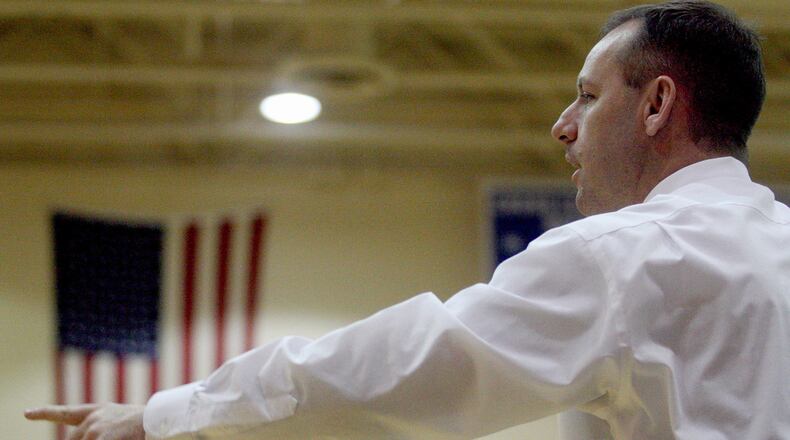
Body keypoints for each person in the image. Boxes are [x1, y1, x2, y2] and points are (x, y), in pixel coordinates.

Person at [26, 1, 789, 438]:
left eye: (588, 97)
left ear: (656, 105)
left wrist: (168, 413)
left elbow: (401, 360)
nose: (564, 125)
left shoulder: (627, 257)